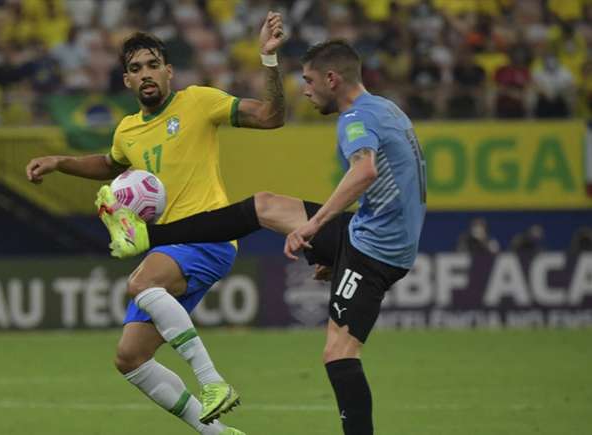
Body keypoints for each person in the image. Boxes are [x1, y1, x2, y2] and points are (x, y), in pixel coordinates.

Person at [99, 40, 427, 435]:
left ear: (331, 79)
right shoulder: (385, 108)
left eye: (307, 81)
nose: (304, 90)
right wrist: (330, 247)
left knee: (339, 355)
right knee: (264, 206)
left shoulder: (354, 118)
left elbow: (364, 172)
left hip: (374, 251)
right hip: (367, 231)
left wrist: (313, 226)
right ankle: (154, 235)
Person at [26, 14, 286, 435]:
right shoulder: (128, 130)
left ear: (168, 71)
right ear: (126, 82)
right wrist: (60, 162)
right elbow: (109, 165)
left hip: (209, 235)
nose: (144, 74)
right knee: (130, 359)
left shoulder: (198, 102)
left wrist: (268, 60)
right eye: (134, 69)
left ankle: (213, 382)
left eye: (152, 65)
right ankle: (217, 433)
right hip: (168, 248)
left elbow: (272, 116)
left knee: (140, 284)